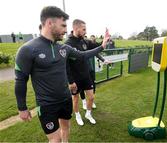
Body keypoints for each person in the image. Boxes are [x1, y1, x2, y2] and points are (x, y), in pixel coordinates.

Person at [15, 6, 109, 142]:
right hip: (47, 105)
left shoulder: (63, 48)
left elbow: (82, 56)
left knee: (66, 130)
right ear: (49, 23)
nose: (66, 30)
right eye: (63, 25)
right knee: (55, 140)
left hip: (65, 99)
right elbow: (20, 81)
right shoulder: (27, 50)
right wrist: (22, 108)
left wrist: (102, 46)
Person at [65, 19, 109, 126]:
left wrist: (105, 40)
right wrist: (71, 81)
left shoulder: (84, 41)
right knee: (75, 99)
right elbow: (65, 66)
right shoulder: (67, 44)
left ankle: (88, 114)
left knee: (91, 97)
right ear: (76, 29)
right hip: (75, 78)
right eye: (84, 29)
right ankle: (77, 115)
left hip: (86, 75)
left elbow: (96, 46)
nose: (85, 31)